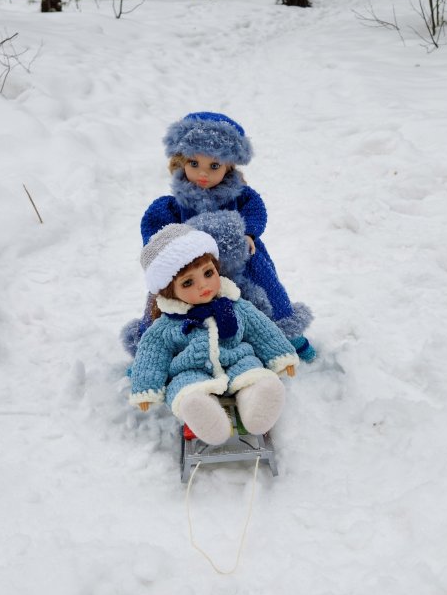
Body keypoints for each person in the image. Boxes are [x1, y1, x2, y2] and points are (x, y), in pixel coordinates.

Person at [122, 111, 314, 361]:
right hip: (192, 265)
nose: (203, 174)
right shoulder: (170, 205)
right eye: (194, 164)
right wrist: (167, 253)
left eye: (214, 166)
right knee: (162, 289)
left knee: (264, 280)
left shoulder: (241, 196)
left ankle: (284, 328)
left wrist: (249, 233)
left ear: (228, 165)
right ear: (182, 162)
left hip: (238, 256)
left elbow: (255, 211)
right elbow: (156, 233)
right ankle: (149, 347)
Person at [130, 224, 299, 445]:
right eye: (188, 282)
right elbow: (151, 355)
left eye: (208, 273)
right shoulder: (167, 325)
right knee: (186, 391)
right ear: (170, 290)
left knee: (255, 375)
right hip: (192, 371)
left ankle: (258, 401)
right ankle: (203, 414)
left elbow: (262, 331)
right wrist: (146, 386)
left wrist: (280, 355)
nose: (204, 286)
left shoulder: (236, 306)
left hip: (238, 360)